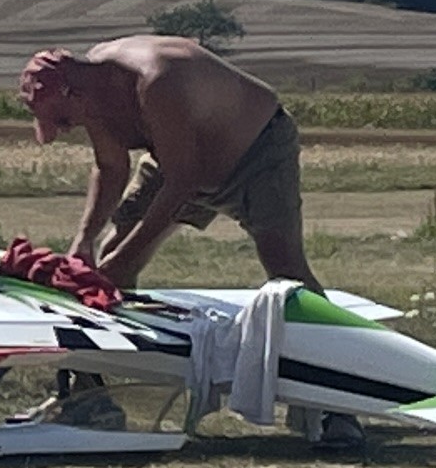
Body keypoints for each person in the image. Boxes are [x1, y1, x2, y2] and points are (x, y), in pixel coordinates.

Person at [21, 34, 318, 291]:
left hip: (255, 151)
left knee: (287, 277)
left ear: (75, 93)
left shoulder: (156, 82)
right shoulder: (90, 98)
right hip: (177, 159)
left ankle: (339, 348)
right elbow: (111, 168)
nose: (65, 129)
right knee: (113, 250)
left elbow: (183, 182)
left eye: (62, 120)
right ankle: (123, 349)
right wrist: (83, 242)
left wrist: (119, 263)